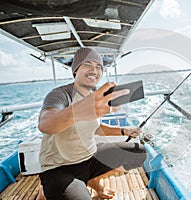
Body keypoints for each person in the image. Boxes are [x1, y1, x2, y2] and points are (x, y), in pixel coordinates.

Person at [38, 47, 147, 200]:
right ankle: (47, 189)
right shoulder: (60, 94)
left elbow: (95, 128)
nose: (94, 70)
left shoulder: (95, 96)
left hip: (90, 157)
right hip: (60, 168)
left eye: (98, 67)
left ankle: (91, 181)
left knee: (139, 153)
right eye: (87, 64)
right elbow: (46, 124)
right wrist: (78, 111)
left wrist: (124, 131)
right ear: (75, 70)